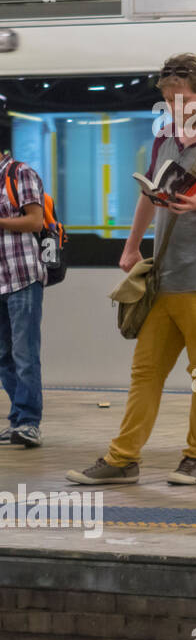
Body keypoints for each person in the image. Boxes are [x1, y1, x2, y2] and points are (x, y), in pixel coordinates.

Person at [68, 54, 196, 485]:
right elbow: (148, 195)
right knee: (146, 371)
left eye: (185, 98)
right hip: (165, 277)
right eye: (170, 99)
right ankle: (123, 459)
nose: (177, 107)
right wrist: (132, 244)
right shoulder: (164, 138)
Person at [0, 97, 47, 447]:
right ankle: (17, 418)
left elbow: (35, 220)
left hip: (22, 277)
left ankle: (29, 421)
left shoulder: (21, 173)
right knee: (3, 355)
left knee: (24, 353)